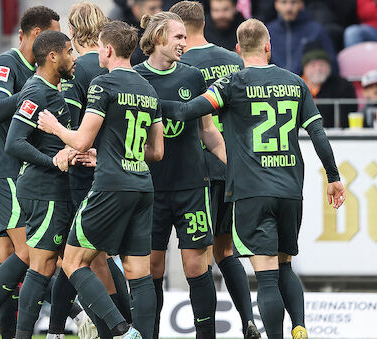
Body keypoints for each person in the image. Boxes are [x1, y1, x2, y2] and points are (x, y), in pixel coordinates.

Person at [159, 18, 346, 339]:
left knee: (267, 276)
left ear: (237, 50)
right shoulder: (295, 83)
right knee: (285, 264)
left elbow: (184, 112)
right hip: (290, 188)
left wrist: (142, 98)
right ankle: (299, 327)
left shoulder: (232, 84)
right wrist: (333, 177)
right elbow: (317, 131)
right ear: (268, 47)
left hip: (251, 190)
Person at [37, 20, 164, 339]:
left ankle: (121, 330)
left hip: (111, 186)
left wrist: (53, 126)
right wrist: (108, 153)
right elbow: (156, 151)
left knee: (72, 261)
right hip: (142, 185)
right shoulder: (148, 88)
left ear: (107, 49)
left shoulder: (103, 85)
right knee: (139, 273)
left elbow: (80, 141)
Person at [0, 7, 61, 339]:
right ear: (37, 35)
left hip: (14, 172)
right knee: (27, 253)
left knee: (12, 254)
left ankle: (0, 329)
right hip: (2, 170)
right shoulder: (7, 65)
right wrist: (36, 89)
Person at [169, 2, 260, 339]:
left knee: (199, 254)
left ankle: (203, 330)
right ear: (205, 22)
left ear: (178, 26)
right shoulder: (233, 61)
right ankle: (248, 320)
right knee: (225, 250)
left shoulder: (178, 64)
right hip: (230, 166)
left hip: (195, 170)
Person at [133, 11, 225, 339]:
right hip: (150, 189)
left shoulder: (192, 77)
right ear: (158, 38)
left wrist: (232, 163)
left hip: (191, 187)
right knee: (152, 269)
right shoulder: (134, 79)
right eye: (178, 37)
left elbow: (208, 131)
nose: (185, 43)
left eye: (186, 37)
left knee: (197, 266)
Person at [56, 3, 132, 339]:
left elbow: (72, 126)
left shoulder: (77, 69)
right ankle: (118, 326)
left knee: (77, 258)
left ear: (72, 31)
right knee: (101, 256)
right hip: (124, 168)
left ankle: (118, 327)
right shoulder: (123, 69)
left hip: (84, 172)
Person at [1, 30, 77, 339]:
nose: (74, 58)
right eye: (69, 52)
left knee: (64, 260)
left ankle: (56, 330)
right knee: (42, 264)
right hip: (43, 188)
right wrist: (52, 160)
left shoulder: (52, 89)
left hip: (57, 188)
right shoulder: (36, 92)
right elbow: (14, 142)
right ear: (53, 56)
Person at [266, 0, 337, 75]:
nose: (289, 8)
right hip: (274, 84)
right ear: (276, 5)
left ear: (302, 4)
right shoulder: (267, 31)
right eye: (284, 2)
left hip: (307, 84)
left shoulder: (315, 30)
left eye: (294, 2)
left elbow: (332, 65)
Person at [300, 43, 357, 127]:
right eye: (313, 65)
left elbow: (345, 121)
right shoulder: (294, 86)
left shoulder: (343, 86)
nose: (318, 69)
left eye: (322, 64)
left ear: (329, 67)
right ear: (305, 68)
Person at [119, 0, 163, 66]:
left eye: (160, 7)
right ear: (136, 9)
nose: (159, 12)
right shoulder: (123, 35)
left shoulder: (162, 30)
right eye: (152, 8)